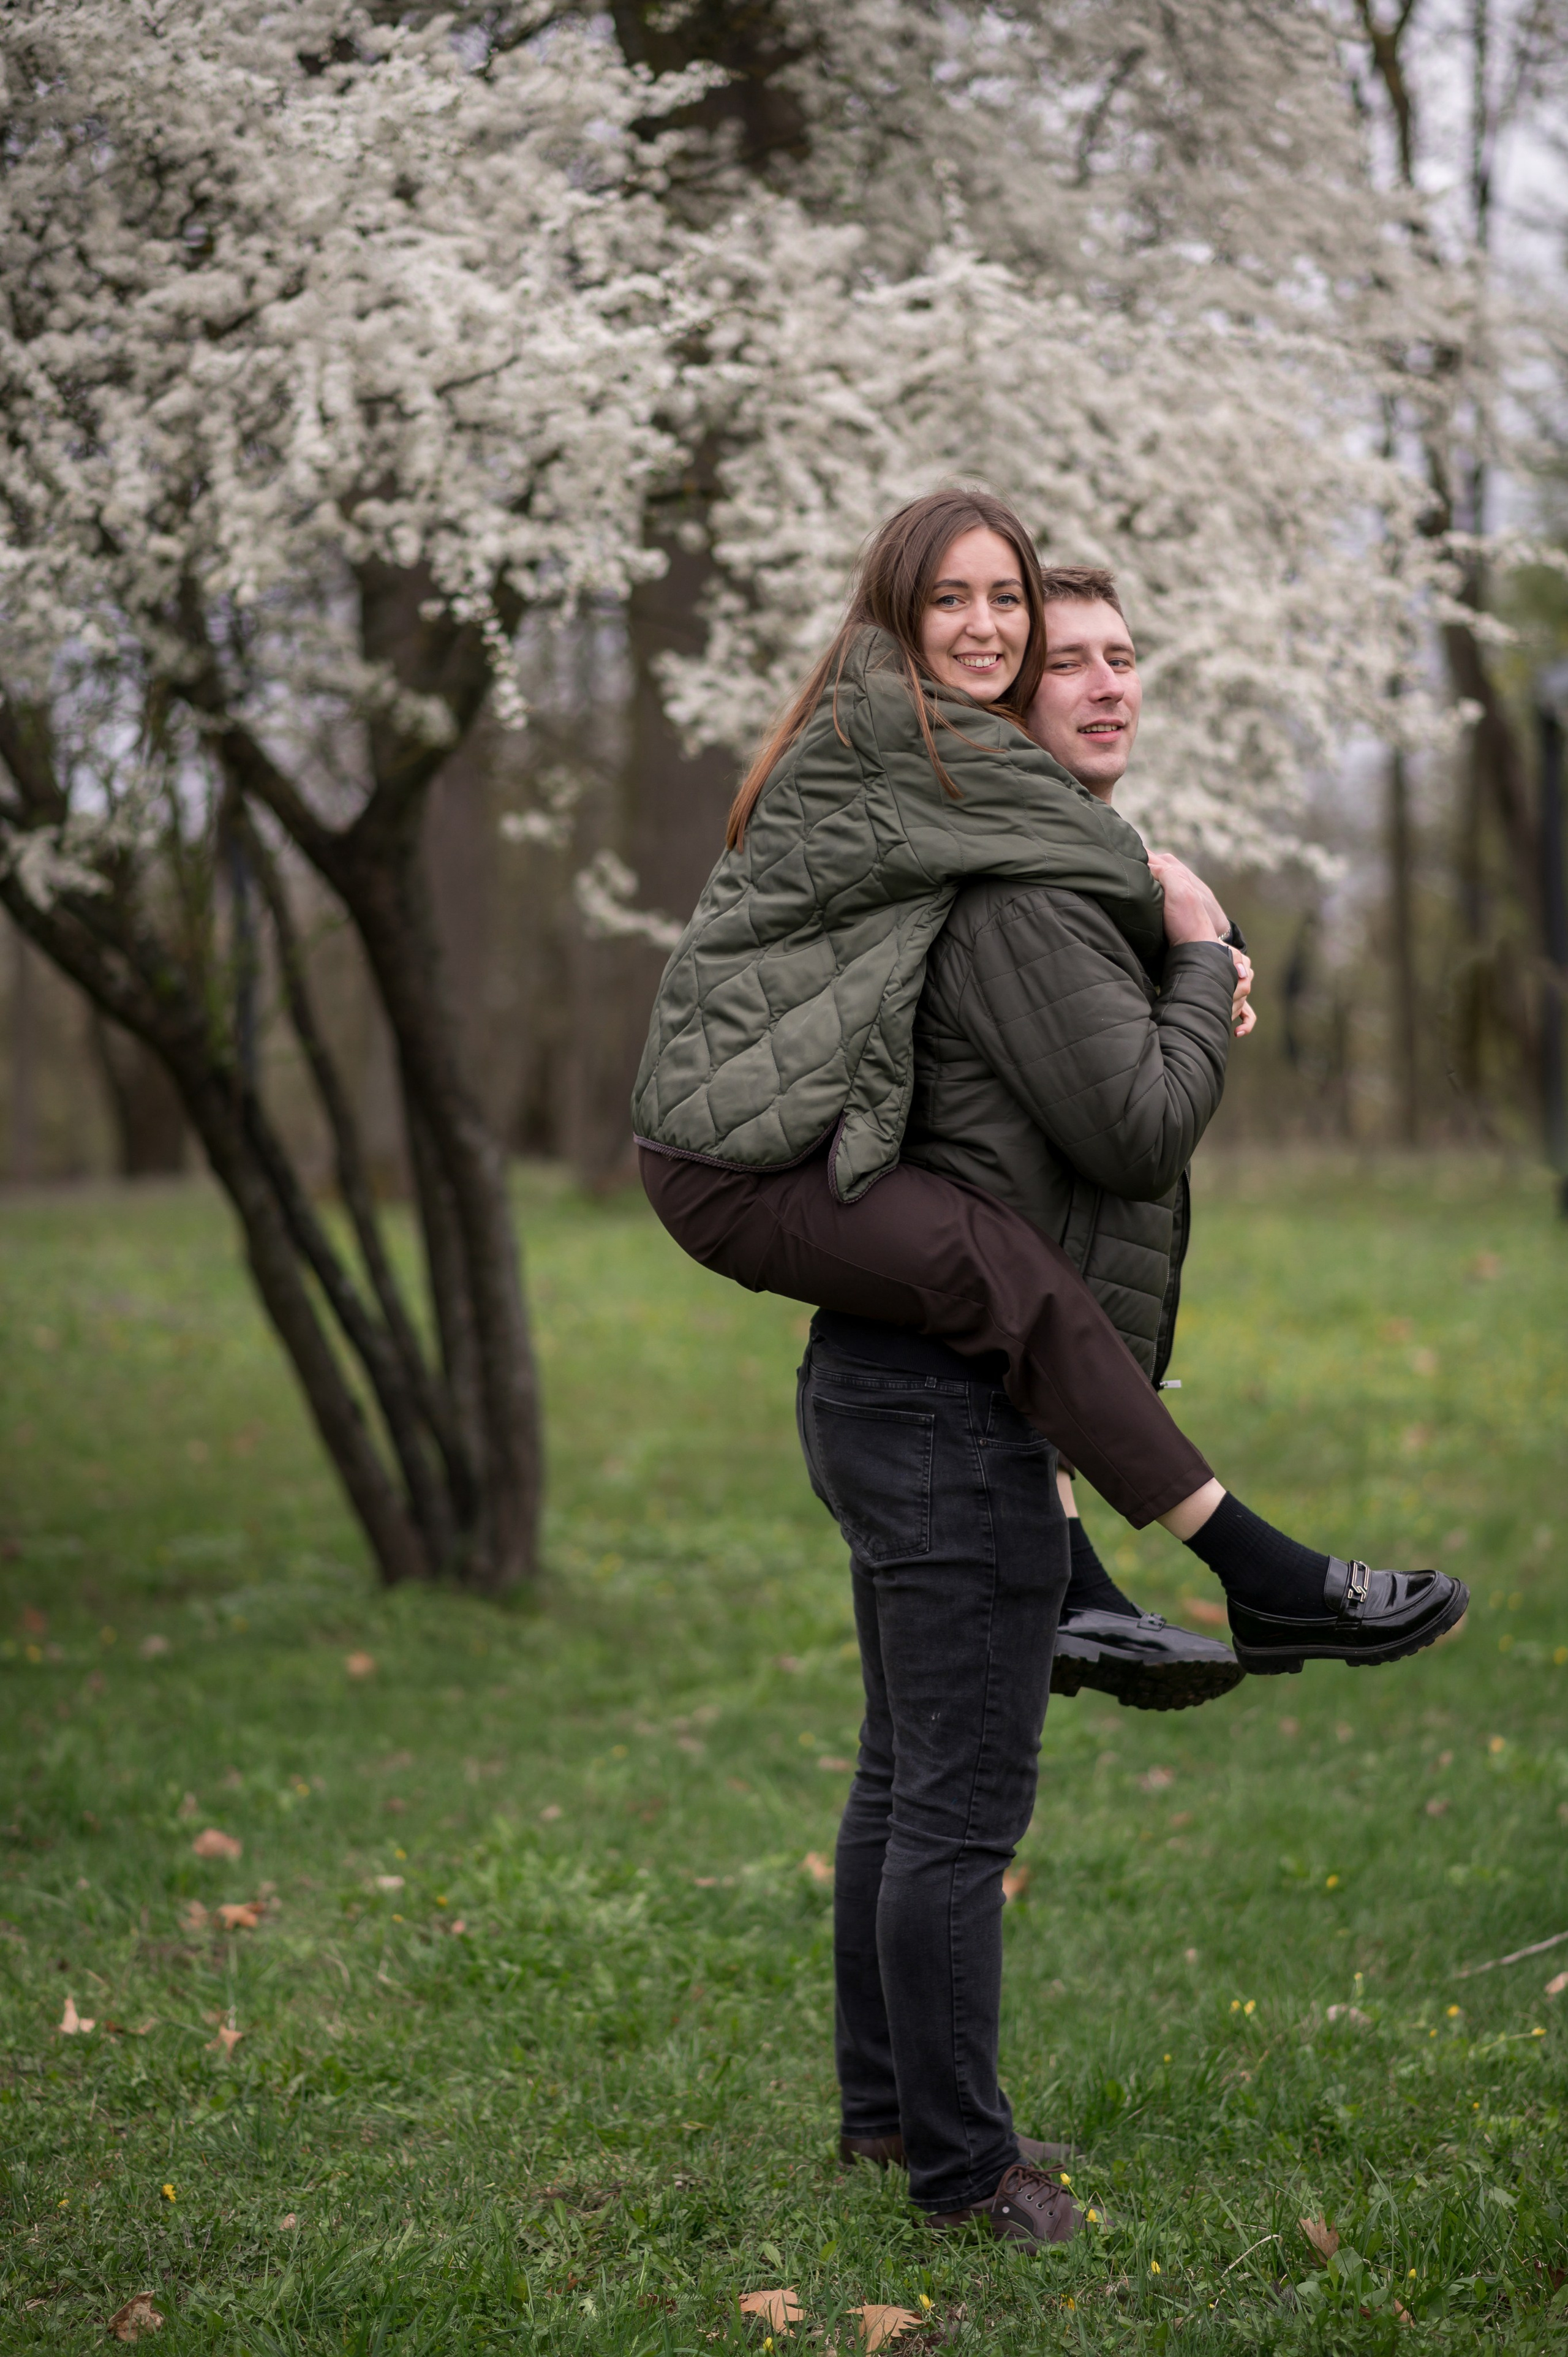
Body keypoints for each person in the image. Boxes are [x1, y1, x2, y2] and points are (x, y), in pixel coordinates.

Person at [633, 491, 1468, 2243]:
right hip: (933, 1401)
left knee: (902, 1779)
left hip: (895, 1385)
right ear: (938, 653)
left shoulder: (980, 834)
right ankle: (966, 2174)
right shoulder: (1006, 867)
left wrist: (1179, 953)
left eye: (1103, 647)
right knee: (957, 1807)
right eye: (1025, 635)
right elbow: (1136, 1125)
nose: (1076, 671)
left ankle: (888, 2123)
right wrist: (1199, 961)